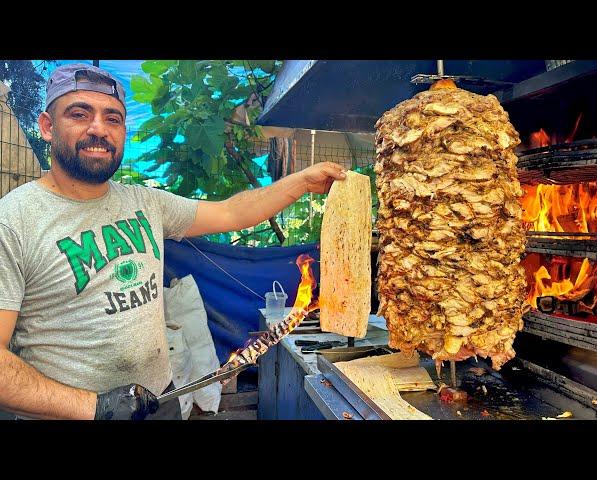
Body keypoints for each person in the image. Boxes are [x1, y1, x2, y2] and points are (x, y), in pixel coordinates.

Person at [0, 63, 346, 420]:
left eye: (113, 118)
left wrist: (302, 183)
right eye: (79, 113)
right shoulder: (14, 220)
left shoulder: (145, 203)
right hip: (73, 414)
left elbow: (231, 213)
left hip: (159, 400)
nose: (98, 129)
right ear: (46, 126)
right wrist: (96, 408)